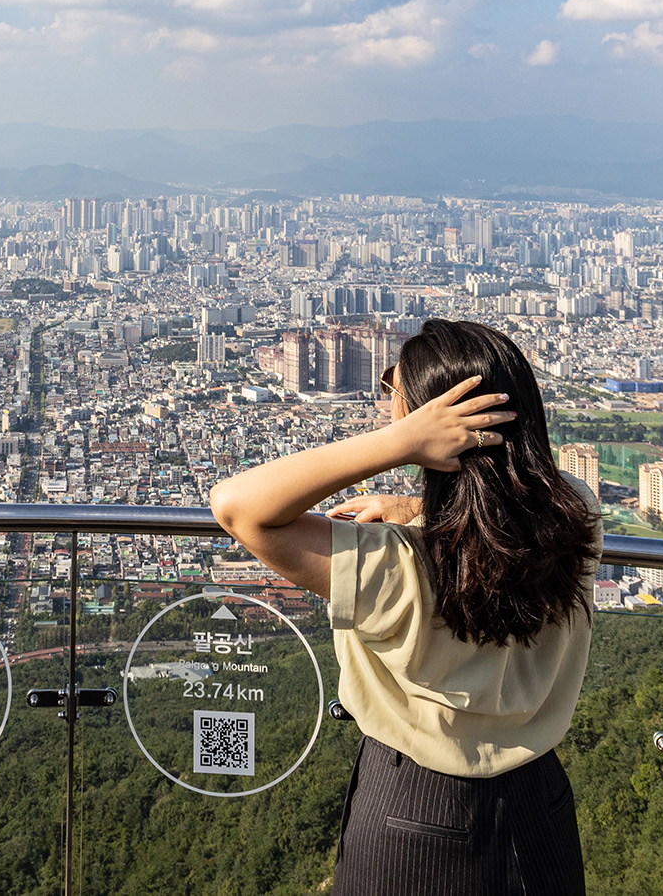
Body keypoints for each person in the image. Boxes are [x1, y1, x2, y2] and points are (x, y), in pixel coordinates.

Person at [207, 319, 600, 895]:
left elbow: (237, 506)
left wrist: (398, 445)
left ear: (427, 423)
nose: (386, 396)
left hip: (412, 811)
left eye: (394, 389)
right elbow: (511, 495)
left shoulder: (399, 566)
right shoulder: (573, 522)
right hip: (541, 803)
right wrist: (412, 503)